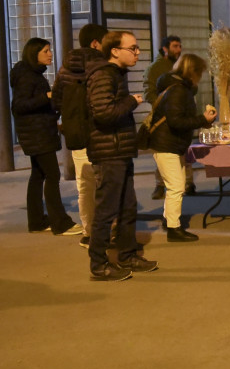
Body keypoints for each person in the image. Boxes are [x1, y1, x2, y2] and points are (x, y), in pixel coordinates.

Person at [87, 30, 155, 281]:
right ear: (115, 51)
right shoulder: (103, 75)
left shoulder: (116, 74)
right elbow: (103, 113)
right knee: (106, 210)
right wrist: (131, 102)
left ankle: (128, 255)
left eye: (137, 48)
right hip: (108, 152)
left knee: (127, 207)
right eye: (132, 48)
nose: (137, 53)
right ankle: (98, 264)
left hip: (120, 149)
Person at [11, 37, 82, 236]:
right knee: (52, 175)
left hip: (38, 132)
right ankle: (60, 223)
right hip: (37, 134)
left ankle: (36, 221)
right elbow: (19, 105)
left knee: (38, 175)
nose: (50, 54)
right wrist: (47, 97)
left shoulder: (32, 74)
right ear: (34, 54)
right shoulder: (27, 76)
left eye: (50, 50)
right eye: (45, 51)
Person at [52, 23, 109, 246]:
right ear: (96, 43)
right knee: (106, 182)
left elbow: (56, 100)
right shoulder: (102, 67)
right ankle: (106, 229)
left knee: (84, 184)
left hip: (76, 133)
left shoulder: (65, 67)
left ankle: (89, 231)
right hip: (100, 131)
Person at [148, 54, 217, 242]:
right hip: (167, 144)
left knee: (174, 185)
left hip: (169, 144)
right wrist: (203, 119)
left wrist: (203, 120)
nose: (200, 76)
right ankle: (173, 228)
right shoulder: (179, 90)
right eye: (200, 72)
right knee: (176, 187)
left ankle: (169, 220)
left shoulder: (176, 87)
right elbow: (176, 121)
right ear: (192, 71)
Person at [144, 35, 194, 199]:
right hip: (163, 118)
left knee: (184, 147)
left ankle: (189, 182)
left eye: (180, 46)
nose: (179, 50)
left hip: (182, 115)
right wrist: (163, 106)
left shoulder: (181, 66)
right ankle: (160, 184)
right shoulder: (155, 68)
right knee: (164, 149)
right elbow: (148, 91)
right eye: (175, 46)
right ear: (165, 49)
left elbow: (191, 88)